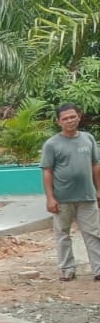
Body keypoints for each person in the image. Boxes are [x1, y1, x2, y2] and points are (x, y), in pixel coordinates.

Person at [41, 102, 100, 281]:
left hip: (87, 197)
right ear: (58, 121)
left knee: (94, 234)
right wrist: (50, 198)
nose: (70, 121)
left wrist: (98, 190)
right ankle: (67, 269)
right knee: (62, 234)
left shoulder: (88, 139)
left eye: (73, 117)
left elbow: (95, 165)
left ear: (79, 116)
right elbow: (47, 171)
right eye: (65, 118)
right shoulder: (51, 144)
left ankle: (98, 270)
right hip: (62, 199)